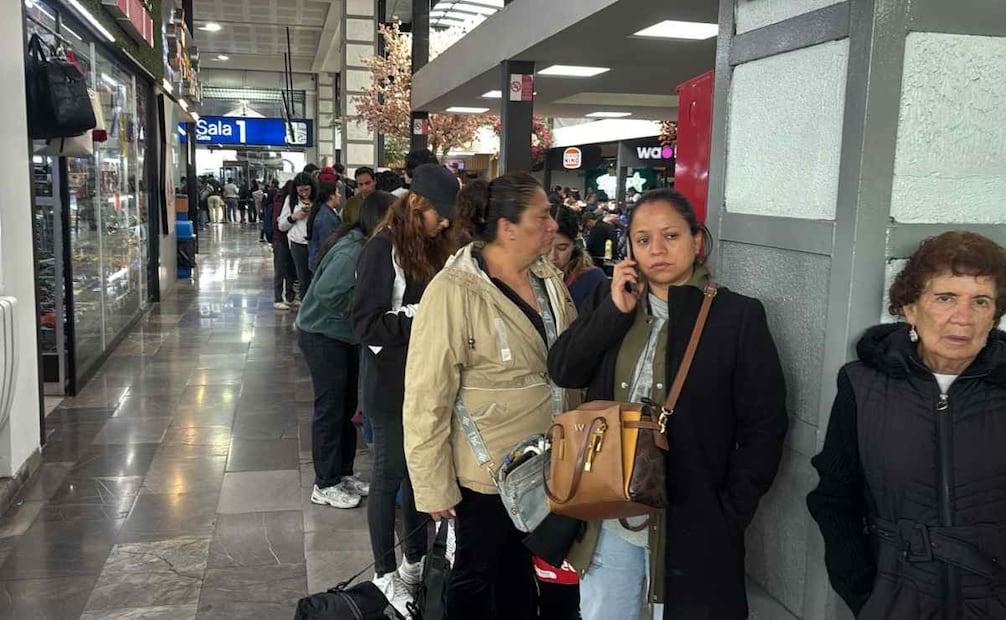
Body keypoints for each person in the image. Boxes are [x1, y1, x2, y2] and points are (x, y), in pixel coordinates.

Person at [548, 188, 788, 620]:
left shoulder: (736, 317)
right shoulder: (611, 299)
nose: (656, 250)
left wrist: (728, 513)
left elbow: (764, 426)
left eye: (670, 236)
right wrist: (613, 313)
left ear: (696, 241)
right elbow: (565, 370)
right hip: (610, 510)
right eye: (642, 239)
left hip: (692, 520)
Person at [404, 171, 579, 620]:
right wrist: (432, 483)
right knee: (476, 576)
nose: (552, 226)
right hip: (488, 473)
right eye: (541, 217)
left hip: (549, 461)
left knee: (523, 571)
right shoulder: (454, 290)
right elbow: (427, 394)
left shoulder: (546, 278)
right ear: (507, 228)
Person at [807, 232, 1006, 619]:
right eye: (945, 298)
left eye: (980, 301)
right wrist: (864, 594)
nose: (962, 317)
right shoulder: (861, 385)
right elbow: (834, 499)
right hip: (897, 601)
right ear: (910, 308)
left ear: (994, 315)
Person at [351, 164, 459, 614]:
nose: (446, 223)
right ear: (418, 206)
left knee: (420, 476)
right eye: (441, 214)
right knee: (389, 476)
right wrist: (419, 319)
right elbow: (365, 322)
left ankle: (414, 561)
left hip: (423, 383)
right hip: (390, 385)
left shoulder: (430, 248)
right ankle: (383, 573)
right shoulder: (383, 249)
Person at [297, 192, 395, 510]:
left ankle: (342, 474)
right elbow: (327, 294)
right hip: (322, 335)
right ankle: (324, 483)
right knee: (330, 409)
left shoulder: (364, 245)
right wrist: (359, 316)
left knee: (346, 406)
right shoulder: (352, 251)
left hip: (341, 337)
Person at [549, 205, 607, 310]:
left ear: (574, 244)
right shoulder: (523, 277)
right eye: (545, 247)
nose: (552, 257)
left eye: (562, 248)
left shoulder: (593, 280)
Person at [278, 173, 317, 298]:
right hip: (298, 244)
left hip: (316, 243)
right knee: (303, 278)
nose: (304, 193)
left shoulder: (318, 199)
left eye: (307, 190)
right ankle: (305, 306)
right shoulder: (291, 200)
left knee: (316, 277)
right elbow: (282, 226)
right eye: (300, 190)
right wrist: (294, 217)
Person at [272, 181, 298, 310]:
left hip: (286, 239)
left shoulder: (281, 198)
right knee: (281, 270)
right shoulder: (283, 201)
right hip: (281, 239)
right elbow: (279, 222)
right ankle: (278, 298)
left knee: (289, 270)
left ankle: (289, 297)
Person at [307, 181, 342, 274]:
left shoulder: (325, 211)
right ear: (331, 196)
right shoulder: (326, 217)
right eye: (338, 193)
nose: (340, 196)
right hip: (323, 264)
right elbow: (327, 244)